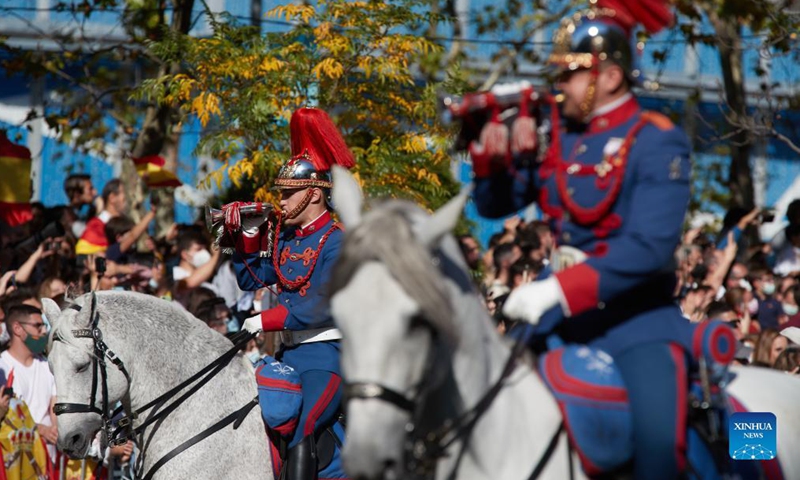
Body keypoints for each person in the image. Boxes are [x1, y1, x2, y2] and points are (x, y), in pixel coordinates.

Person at [469, 2, 701, 478]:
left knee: (660, 451)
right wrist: (488, 158)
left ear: (610, 77)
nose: (559, 86)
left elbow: (649, 247)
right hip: (556, 317)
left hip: (636, 322)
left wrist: (558, 288)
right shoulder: (560, 135)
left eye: (570, 75)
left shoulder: (657, 140)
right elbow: (495, 205)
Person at [227, 108, 354, 480]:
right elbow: (254, 279)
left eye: (287, 194)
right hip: (287, 352)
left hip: (327, 357)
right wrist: (247, 236)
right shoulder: (286, 236)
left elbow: (318, 306)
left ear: (313, 194)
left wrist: (260, 321)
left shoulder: (338, 241)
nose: (280, 202)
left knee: (303, 428)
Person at [0, 305, 57, 453]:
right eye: (38, 326)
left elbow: (55, 409)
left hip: (47, 462)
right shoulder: (2, 367)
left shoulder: (48, 366)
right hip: (14, 460)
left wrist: (55, 429)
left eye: (44, 326)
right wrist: (40, 429)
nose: (44, 331)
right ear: (18, 328)